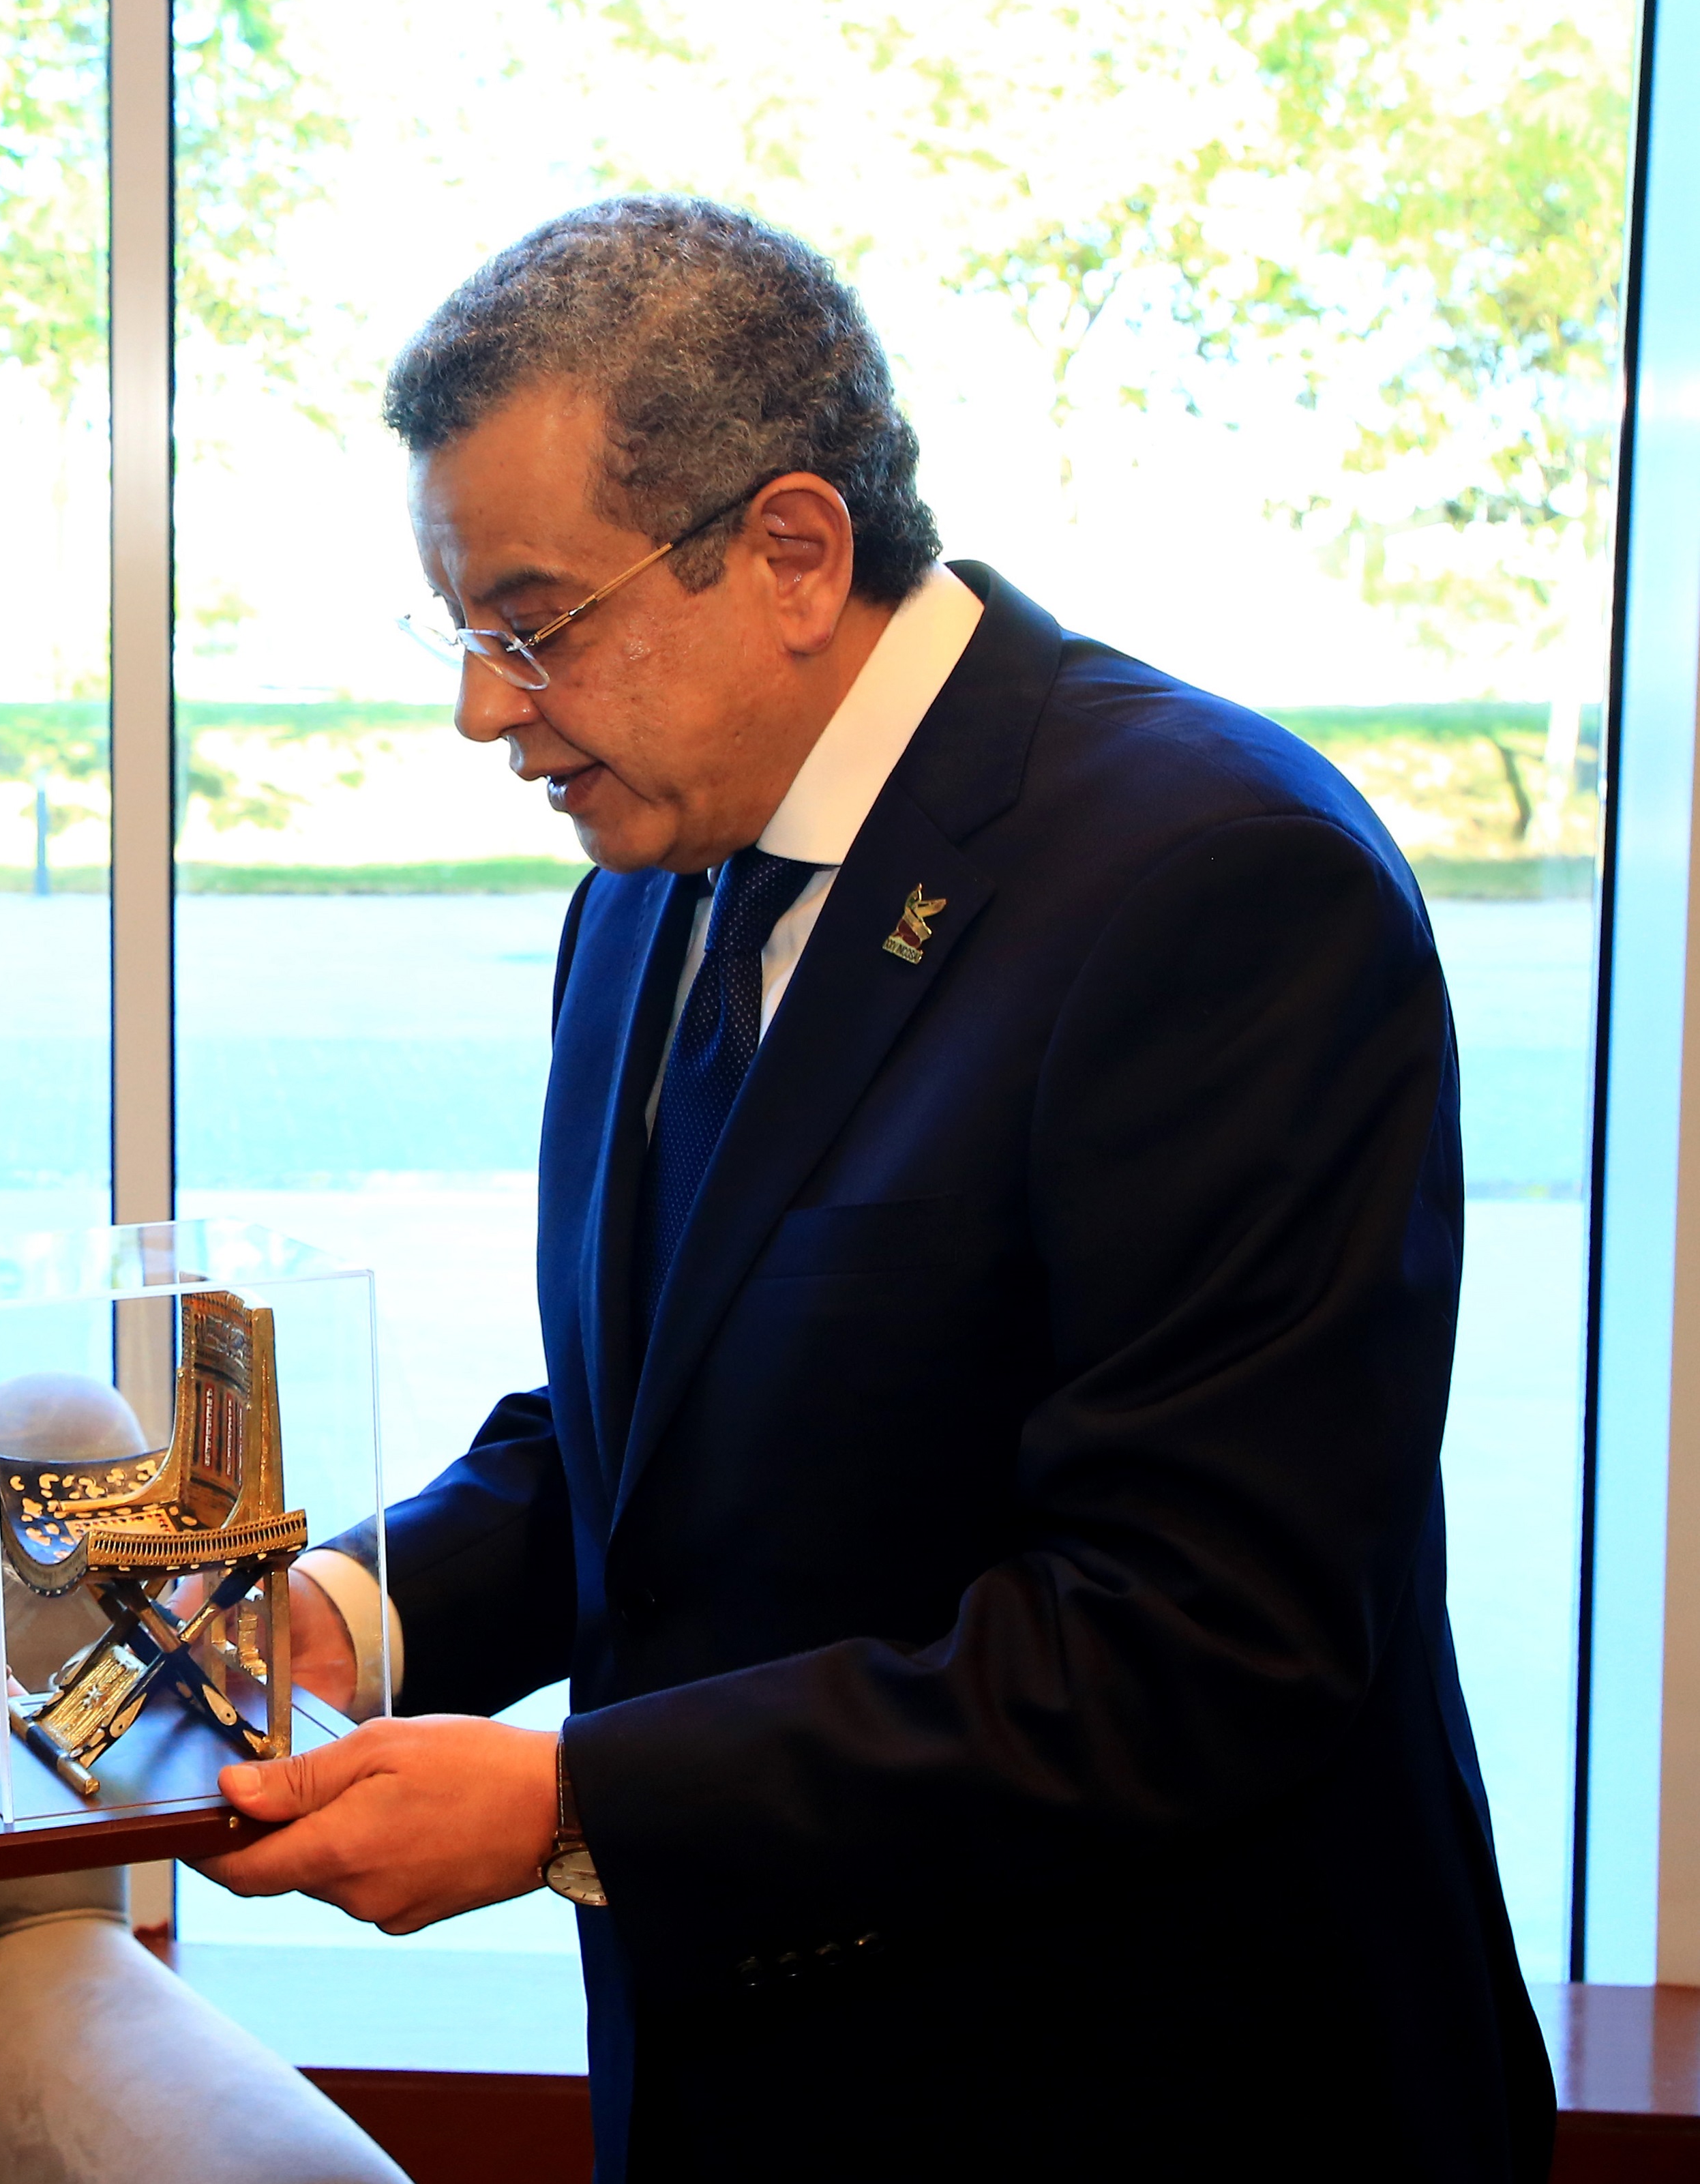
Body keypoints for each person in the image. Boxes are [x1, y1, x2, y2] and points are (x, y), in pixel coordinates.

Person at [202, 196, 1553, 2180]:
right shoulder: (649, 885)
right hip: (748, 2084)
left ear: (792, 554)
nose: (483, 708)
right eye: (463, 632)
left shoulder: (1216, 879)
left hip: (1140, 2094)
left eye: (534, 624)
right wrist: (348, 1618)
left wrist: (571, 1802)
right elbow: (664, 1437)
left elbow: (1201, 1635)